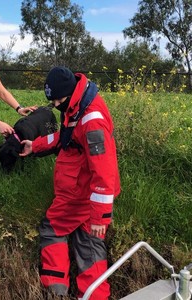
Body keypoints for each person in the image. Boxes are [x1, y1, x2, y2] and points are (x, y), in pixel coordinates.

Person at [20, 66, 121, 299]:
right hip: (84, 191)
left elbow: (104, 170)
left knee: (52, 229)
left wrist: (100, 216)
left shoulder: (91, 120)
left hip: (79, 193)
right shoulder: (78, 105)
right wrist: (34, 145)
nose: (55, 105)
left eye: (58, 100)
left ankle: (56, 292)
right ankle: (95, 296)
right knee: (88, 241)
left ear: (70, 91)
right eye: (52, 100)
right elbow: (65, 137)